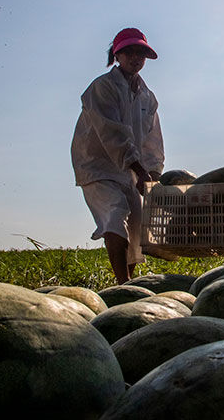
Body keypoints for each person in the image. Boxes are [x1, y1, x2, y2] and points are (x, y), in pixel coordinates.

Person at [71, 27, 164, 283]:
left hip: (129, 170)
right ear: (117, 55)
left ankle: (129, 284)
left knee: (136, 225)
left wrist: (153, 173)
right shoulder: (103, 87)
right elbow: (112, 134)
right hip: (97, 166)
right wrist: (140, 170)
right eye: (129, 52)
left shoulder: (147, 96)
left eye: (140, 53)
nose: (135, 58)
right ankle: (122, 283)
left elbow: (152, 140)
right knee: (115, 213)